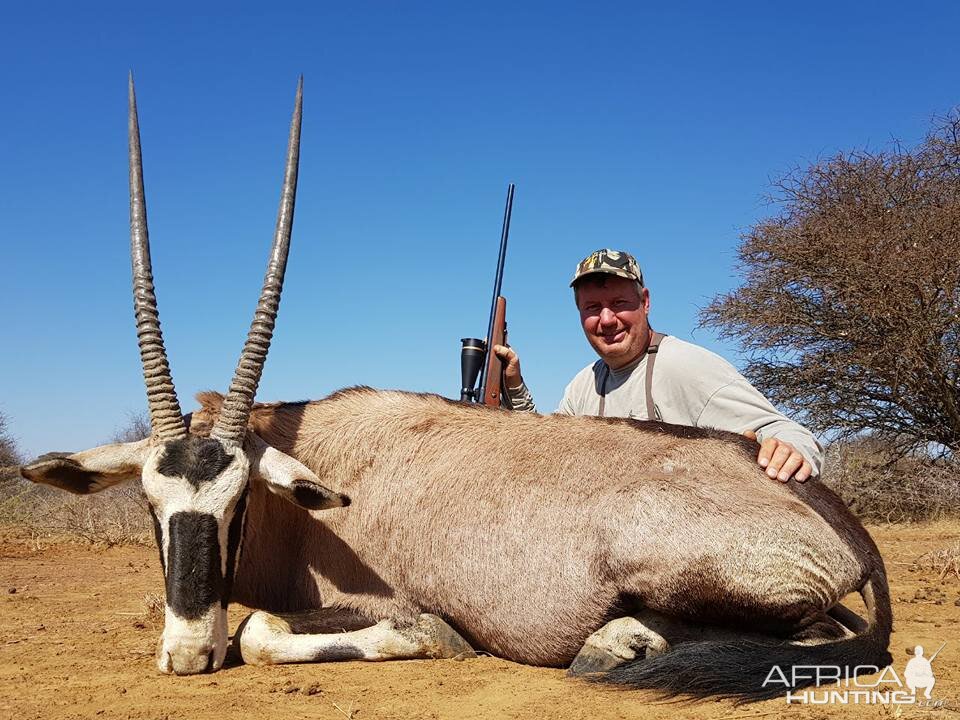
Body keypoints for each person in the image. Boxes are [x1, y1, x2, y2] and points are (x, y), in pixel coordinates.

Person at [493, 249, 822, 481]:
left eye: (619, 303)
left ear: (645, 302)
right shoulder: (584, 383)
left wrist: (791, 450)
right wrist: (514, 386)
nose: (606, 320)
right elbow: (549, 450)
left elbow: (786, 432)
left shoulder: (685, 366)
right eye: (592, 307)